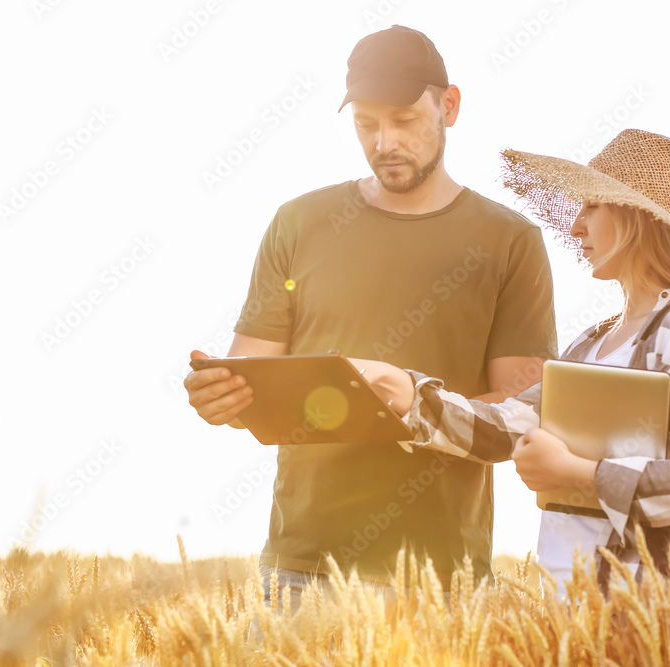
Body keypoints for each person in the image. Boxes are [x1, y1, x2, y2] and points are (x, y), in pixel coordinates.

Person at [184, 25, 558, 609]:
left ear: (449, 106)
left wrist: (411, 402)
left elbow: (521, 417)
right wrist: (223, 395)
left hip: (443, 577)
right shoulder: (298, 223)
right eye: (366, 124)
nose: (384, 141)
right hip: (303, 568)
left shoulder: (510, 241)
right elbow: (254, 369)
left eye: (404, 120)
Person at [357, 128, 670, 620]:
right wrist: (408, 395)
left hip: (659, 620)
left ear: (637, 219)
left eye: (591, 208)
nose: (576, 227)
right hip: (573, 616)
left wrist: (578, 474)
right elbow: (507, 427)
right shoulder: (591, 343)